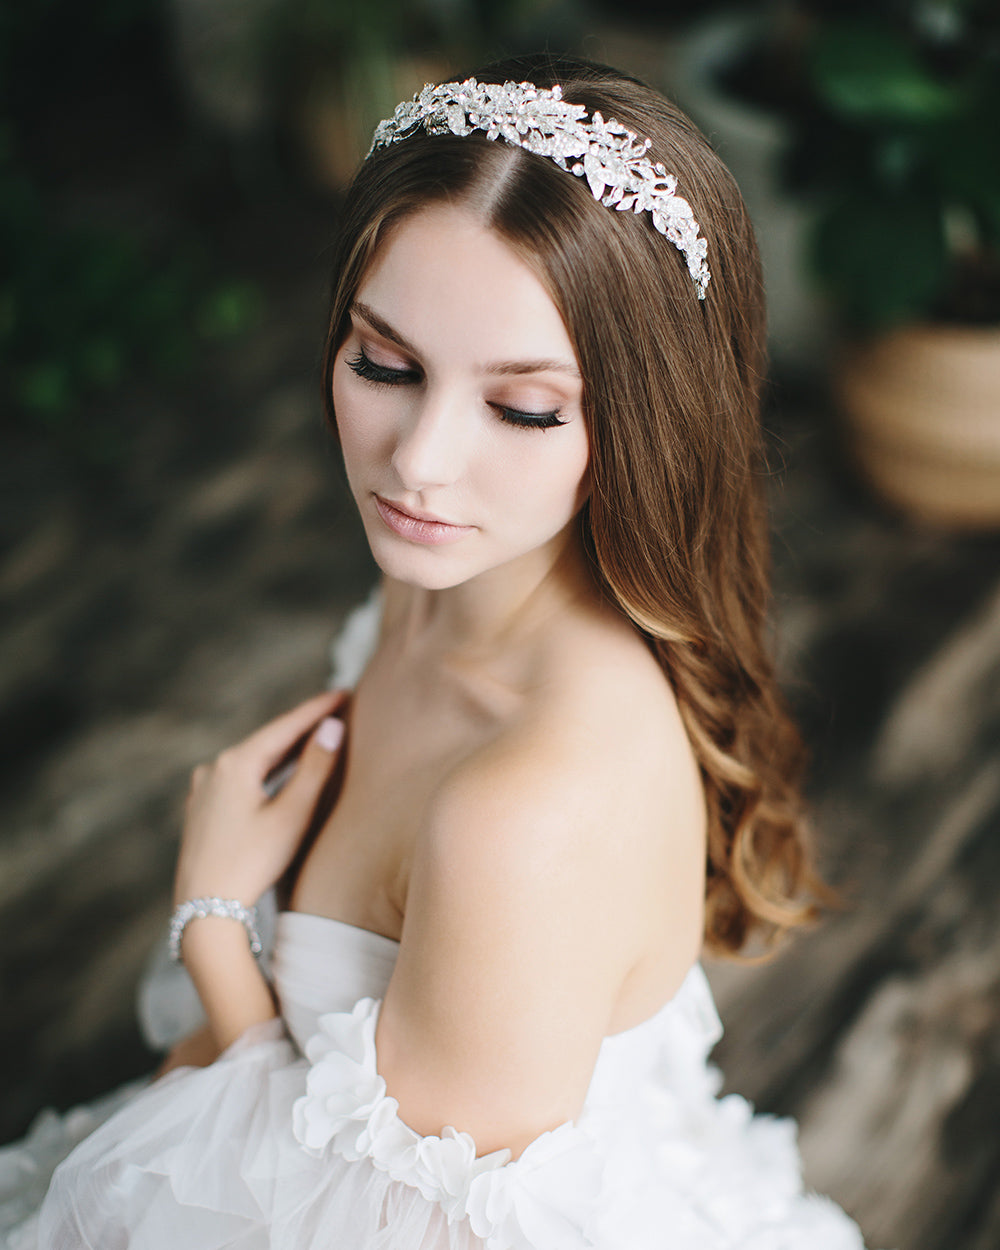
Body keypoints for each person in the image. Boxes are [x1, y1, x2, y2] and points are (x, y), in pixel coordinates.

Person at [1, 52, 869, 1250]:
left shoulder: (522, 812)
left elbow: (384, 1226)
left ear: (646, 421)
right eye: (385, 363)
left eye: (520, 408)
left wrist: (214, 922)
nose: (417, 461)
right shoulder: (448, 578)